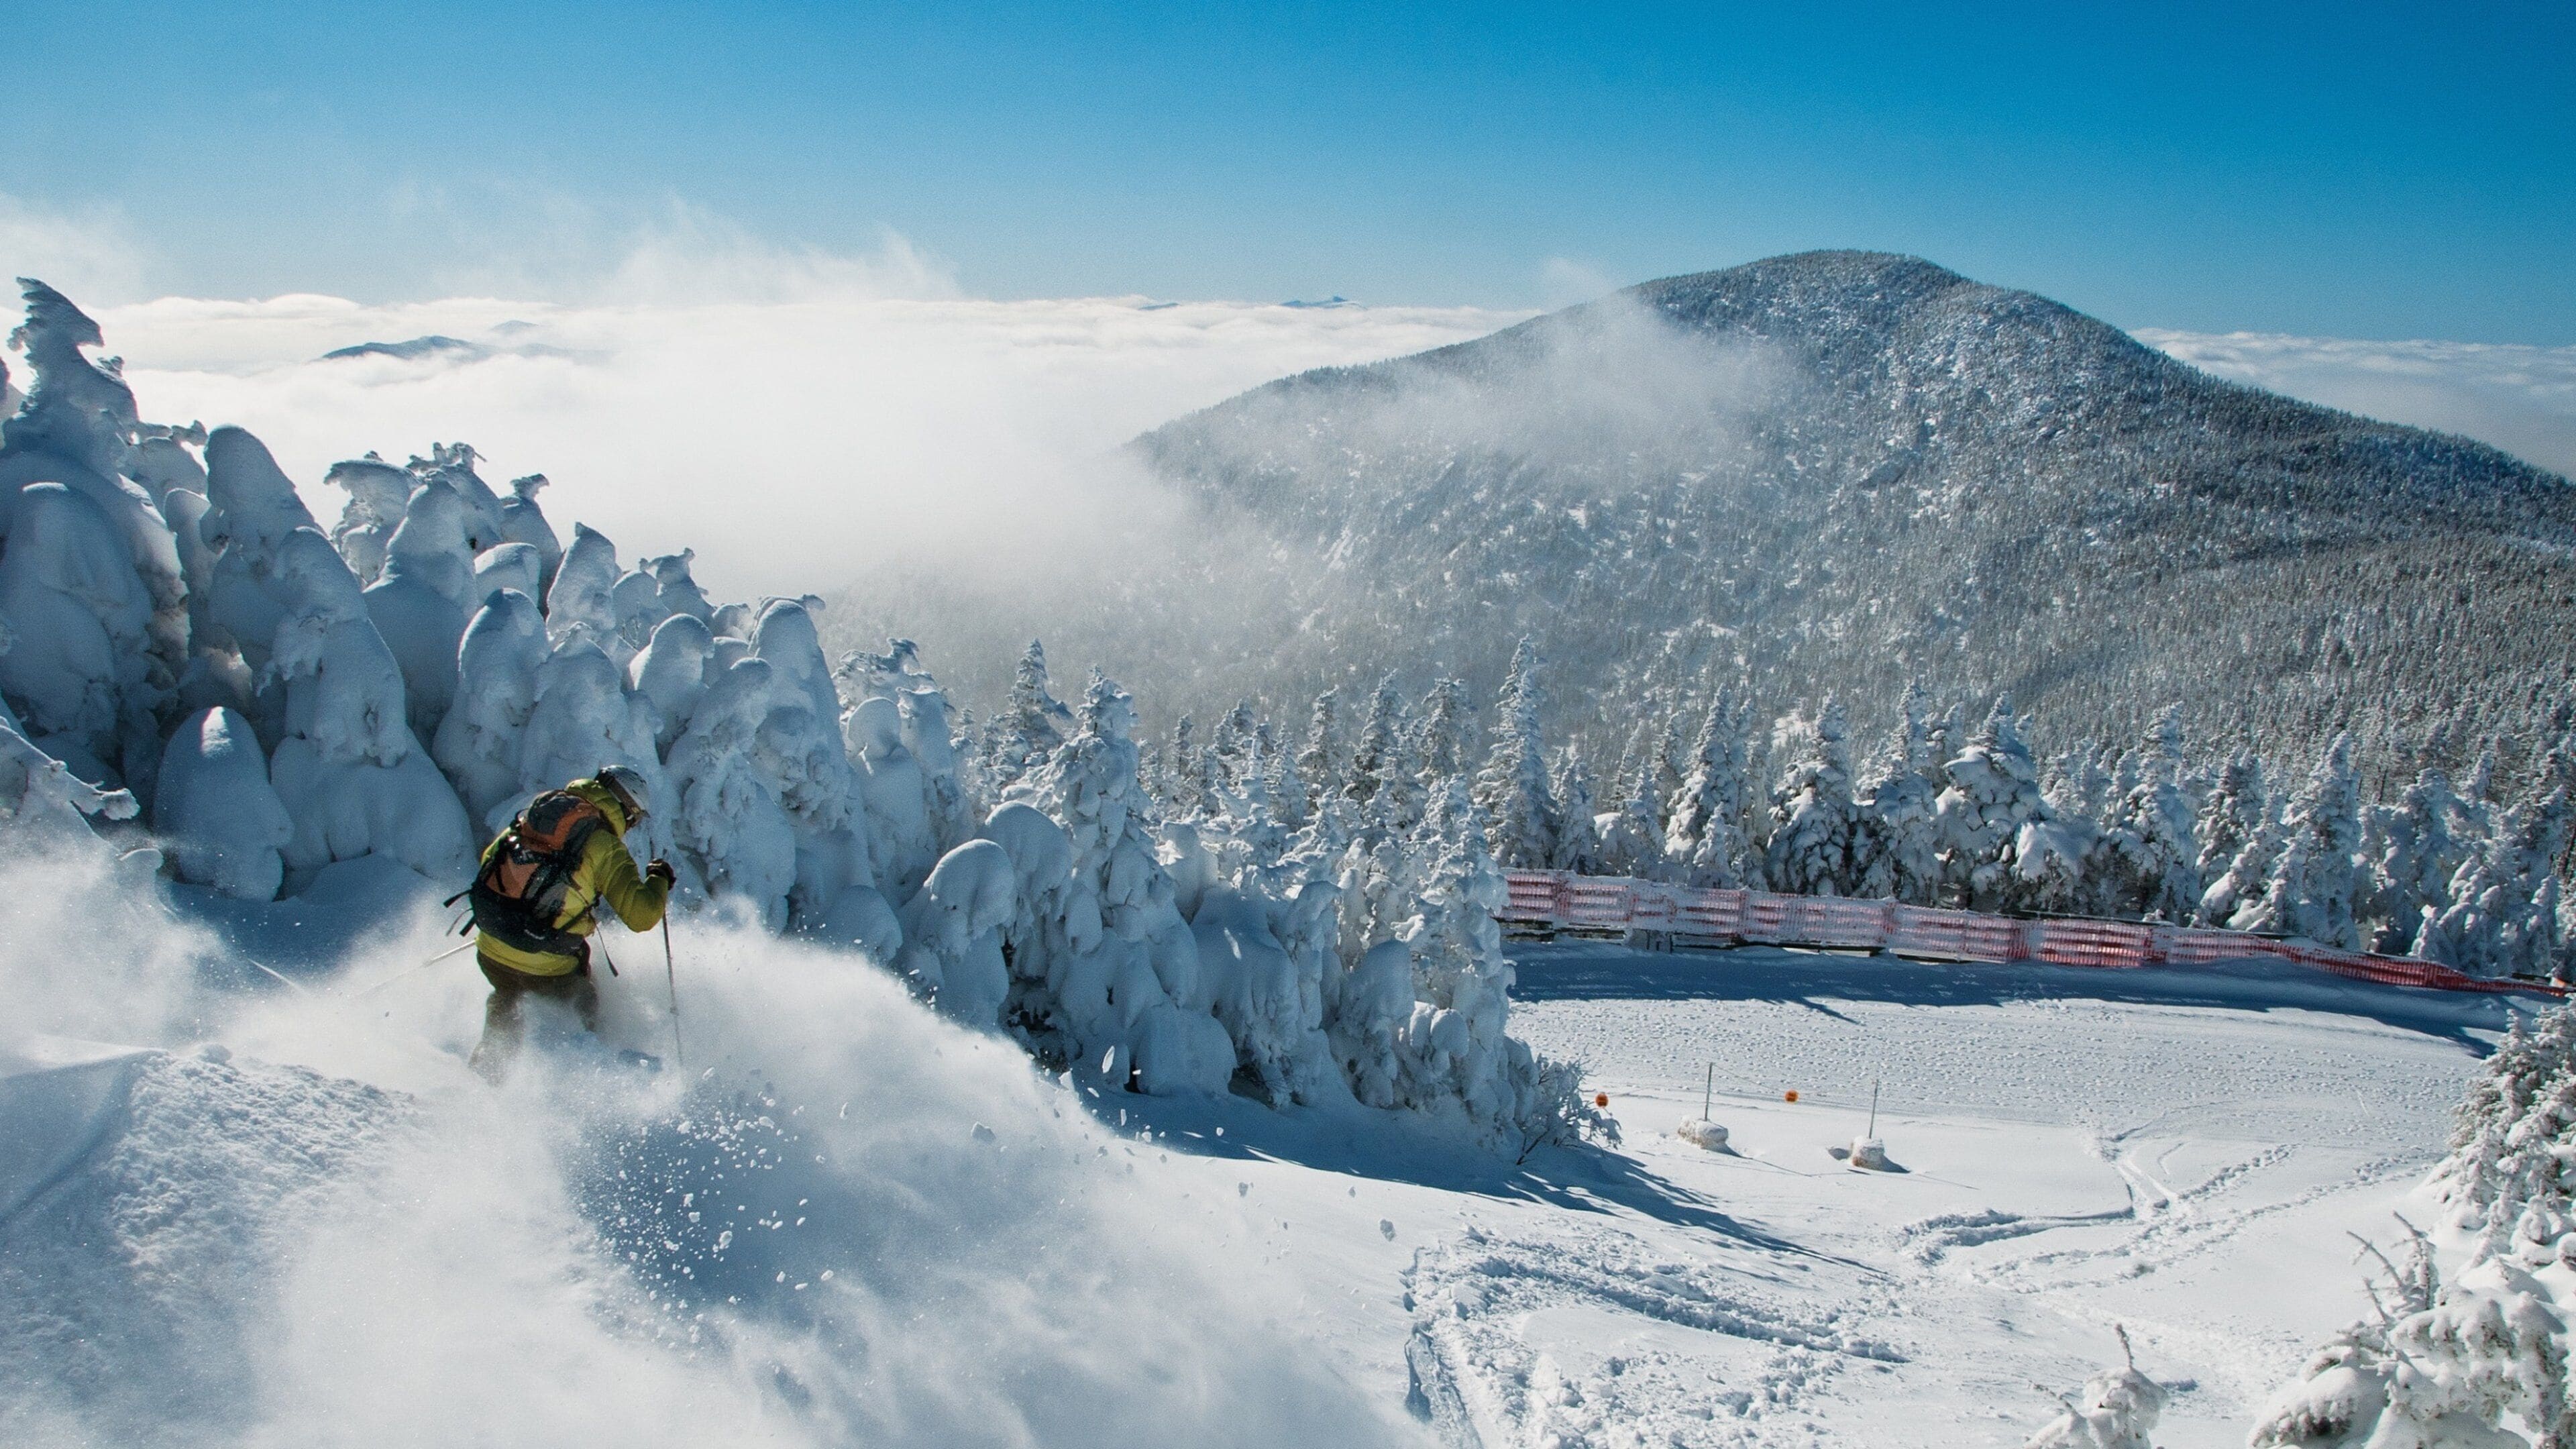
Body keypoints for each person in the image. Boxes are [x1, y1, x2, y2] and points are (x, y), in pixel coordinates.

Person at [467, 765, 674, 1081]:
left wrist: (516, 918)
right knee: (583, 999)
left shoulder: (536, 815)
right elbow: (642, 916)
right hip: (547, 964)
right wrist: (659, 880)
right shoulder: (604, 847)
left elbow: (489, 861)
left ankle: (489, 1070)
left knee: (507, 991)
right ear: (628, 811)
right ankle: (585, 1077)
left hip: (491, 946)